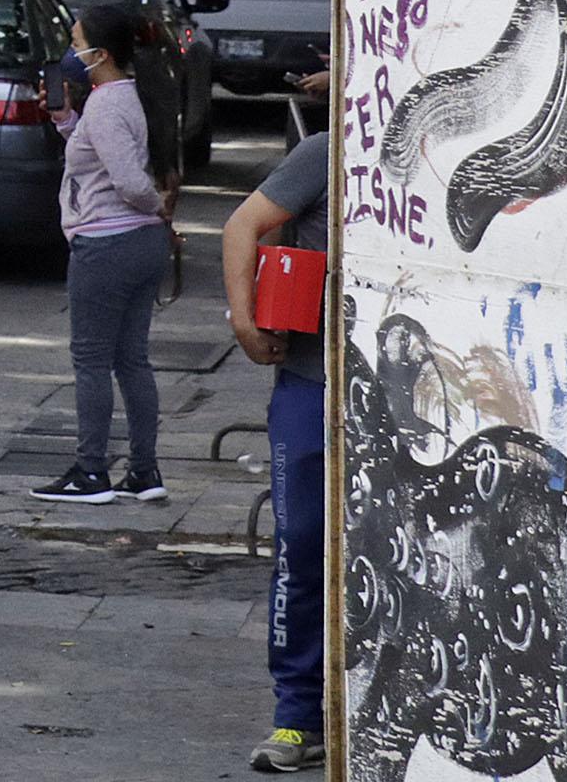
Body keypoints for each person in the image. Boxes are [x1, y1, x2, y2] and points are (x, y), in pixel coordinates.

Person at [32, 3, 175, 505]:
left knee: (91, 360)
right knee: (132, 360)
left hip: (107, 242)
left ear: (102, 53)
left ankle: (92, 471)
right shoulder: (118, 99)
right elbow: (99, 154)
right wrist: (66, 120)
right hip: (138, 243)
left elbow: (128, 178)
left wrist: (155, 205)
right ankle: (143, 469)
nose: (72, 53)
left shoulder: (108, 104)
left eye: (77, 44)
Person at [224, 132, 329, 774]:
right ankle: (296, 717)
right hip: (312, 384)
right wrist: (244, 319)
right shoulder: (327, 151)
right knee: (302, 544)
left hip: (413, 391)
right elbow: (243, 226)